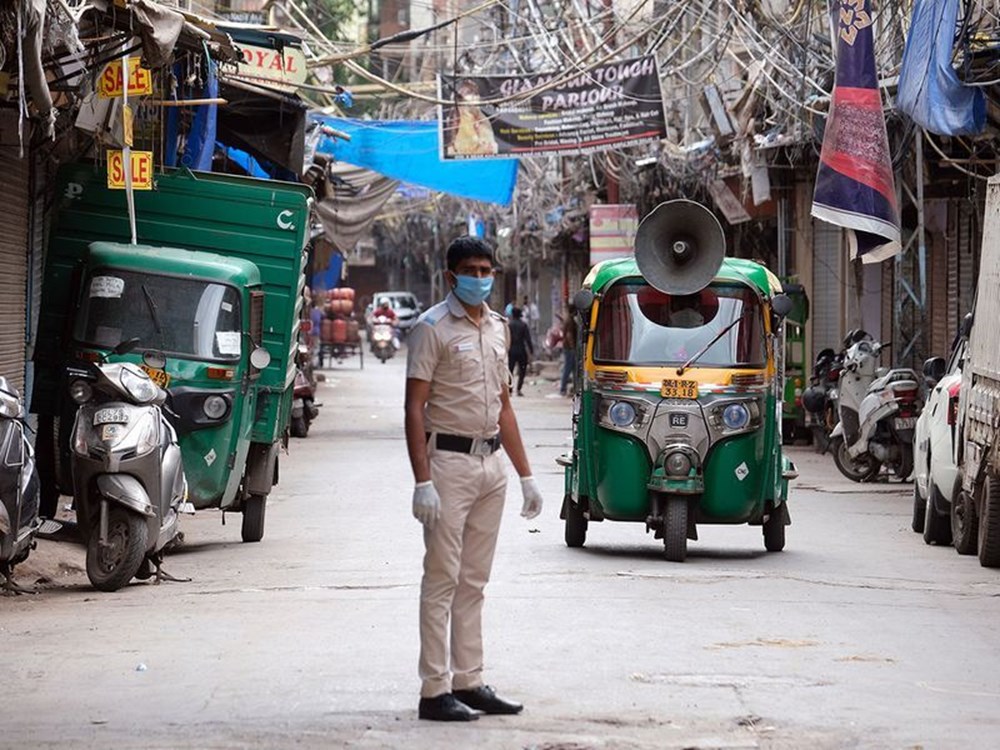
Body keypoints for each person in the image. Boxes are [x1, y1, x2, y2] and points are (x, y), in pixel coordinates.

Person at [405, 236, 544, 722]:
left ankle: (470, 679)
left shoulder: (500, 329)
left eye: (487, 269)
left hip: (491, 466)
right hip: (448, 463)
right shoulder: (431, 329)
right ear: (451, 276)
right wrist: (422, 480)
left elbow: (504, 406)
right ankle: (433, 690)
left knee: (474, 581)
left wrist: (526, 474)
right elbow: (414, 407)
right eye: (471, 269)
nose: (480, 277)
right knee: (442, 577)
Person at [507, 307, 533, 396]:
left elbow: (505, 338)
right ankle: (518, 389)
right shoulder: (523, 325)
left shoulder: (509, 325)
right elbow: (528, 339)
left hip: (511, 351)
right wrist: (531, 350)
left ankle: (510, 389)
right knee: (522, 370)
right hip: (521, 350)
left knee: (510, 370)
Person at [559, 307, 577, 396]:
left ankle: (574, 387)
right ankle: (563, 388)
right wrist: (573, 347)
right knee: (568, 368)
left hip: (568, 347)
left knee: (573, 368)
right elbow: (569, 335)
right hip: (569, 348)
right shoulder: (570, 321)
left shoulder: (568, 319)